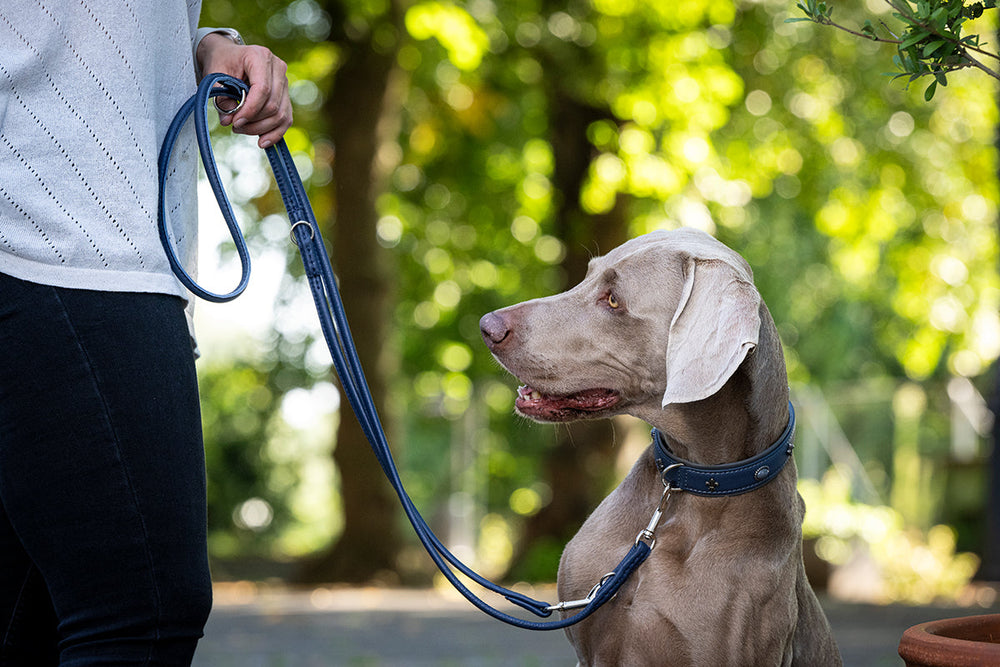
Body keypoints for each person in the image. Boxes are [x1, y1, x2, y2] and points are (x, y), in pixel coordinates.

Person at [0, 2, 292, 664]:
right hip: (63, 234)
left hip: (76, 234)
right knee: (144, 612)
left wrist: (203, 48)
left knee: (29, 625)